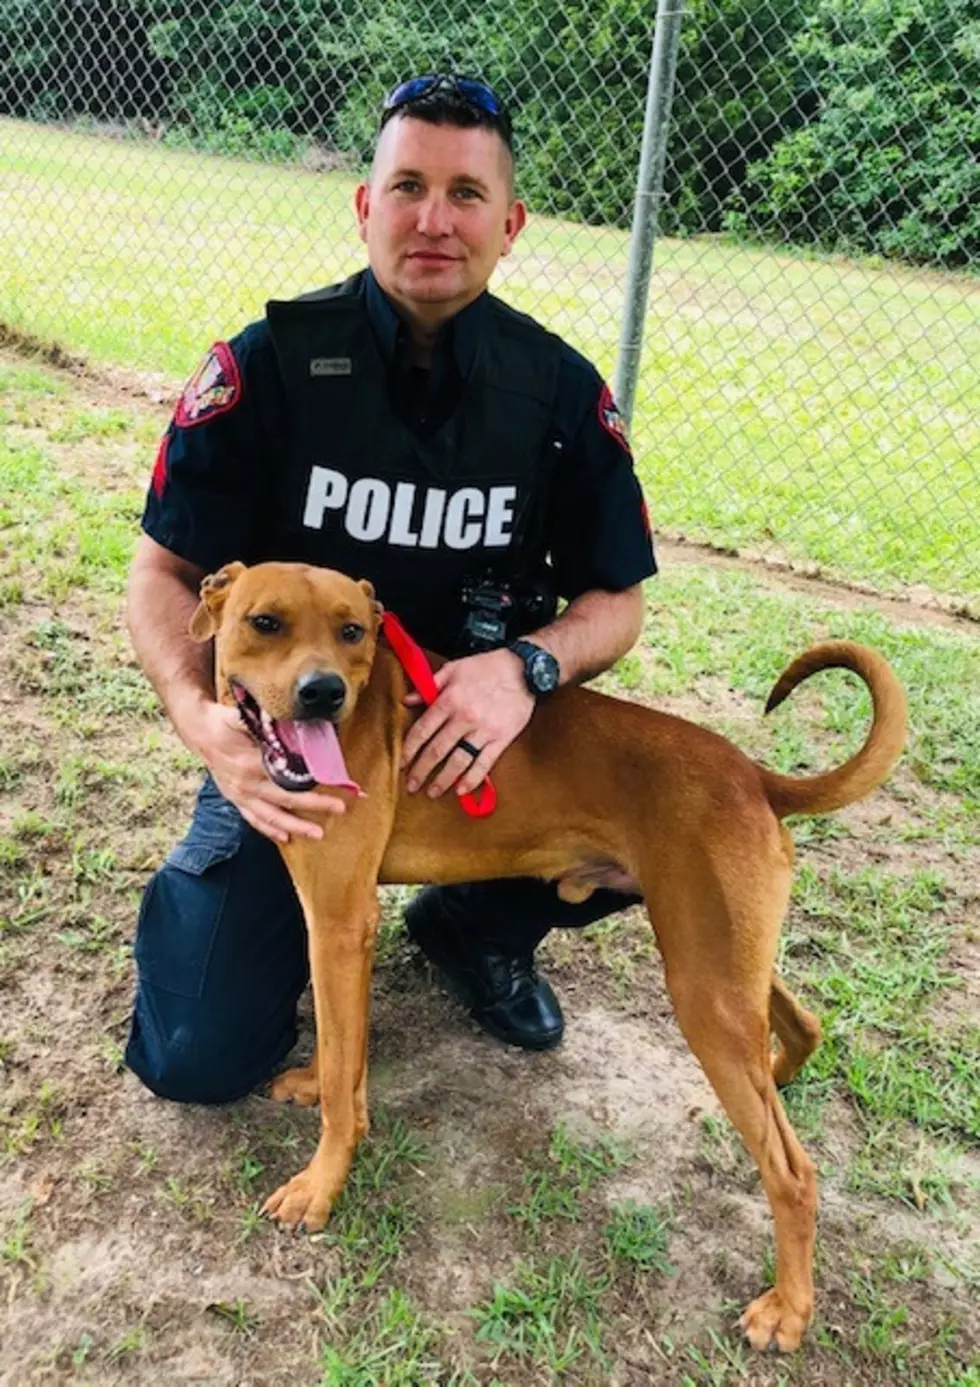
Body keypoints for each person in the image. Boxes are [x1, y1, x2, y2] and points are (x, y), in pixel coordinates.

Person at [125, 74, 656, 1105]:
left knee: (647, 832)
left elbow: (616, 601)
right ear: (364, 205)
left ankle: (480, 922)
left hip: (481, 735)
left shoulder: (553, 391)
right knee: (197, 1051)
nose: (432, 219)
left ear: (509, 224)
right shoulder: (266, 365)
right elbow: (162, 569)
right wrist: (202, 718)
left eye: (464, 194)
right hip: (302, 743)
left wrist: (524, 665)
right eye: (406, 185)